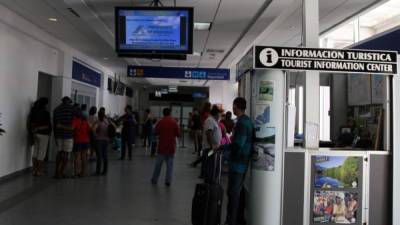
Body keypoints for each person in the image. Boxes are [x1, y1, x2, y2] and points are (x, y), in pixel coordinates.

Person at [225, 97, 254, 225]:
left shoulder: (242, 123)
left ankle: (231, 220)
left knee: (233, 193)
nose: (233, 108)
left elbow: (238, 145)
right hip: (242, 163)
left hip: (238, 164)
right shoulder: (247, 121)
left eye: (233, 105)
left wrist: (223, 150)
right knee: (239, 191)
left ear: (236, 106)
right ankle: (239, 218)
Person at [151, 108, 180, 186]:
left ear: (163, 113)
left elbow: (155, 132)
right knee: (170, 166)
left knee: (158, 165)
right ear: (170, 113)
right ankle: (168, 181)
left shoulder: (160, 122)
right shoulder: (174, 122)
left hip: (162, 147)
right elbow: (178, 134)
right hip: (171, 147)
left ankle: (154, 179)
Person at [29, 98, 51, 177]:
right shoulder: (45, 113)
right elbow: (47, 126)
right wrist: (39, 128)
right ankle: (39, 171)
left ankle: (34, 170)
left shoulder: (33, 112)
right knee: (41, 154)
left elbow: (31, 123)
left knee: (35, 152)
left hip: (35, 134)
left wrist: (34, 130)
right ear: (45, 104)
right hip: (43, 134)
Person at [53, 96, 74, 179]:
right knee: (66, 153)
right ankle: (62, 172)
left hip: (58, 134)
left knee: (59, 152)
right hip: (68, 135)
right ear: (68, 101)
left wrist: (55, 135)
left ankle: (56, 172)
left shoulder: (56, 109)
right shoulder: (72, 109)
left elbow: (55, 124)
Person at [202, 105, 223, 183]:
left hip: (212, 148)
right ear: (216, 114)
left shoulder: (213, 121)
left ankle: (211, 183)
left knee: (213, 168)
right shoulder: (210, 120)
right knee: (211, 168)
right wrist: (213, 146)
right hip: (210, 149)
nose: (220, 116)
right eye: (219, 114)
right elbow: (208, 133)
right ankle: (209, 185)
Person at [72, 109, 91, 177]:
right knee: (84, 157)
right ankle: (83, 172)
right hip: (86, 141)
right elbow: (89, 130)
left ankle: (76, 172)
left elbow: (72, 128)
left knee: (77, 156)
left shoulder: (75, 121)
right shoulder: (85, 122)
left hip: (77, 140)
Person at [92, 107, 109, 175]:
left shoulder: (98, 122)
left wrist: (95, 135)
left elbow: (93, 130)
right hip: (106, 140)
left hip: (98, 140)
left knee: (99, 156)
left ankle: (98, 171)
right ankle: (105, 171)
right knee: (105, 156)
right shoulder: (106, 121)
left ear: (98, 115)